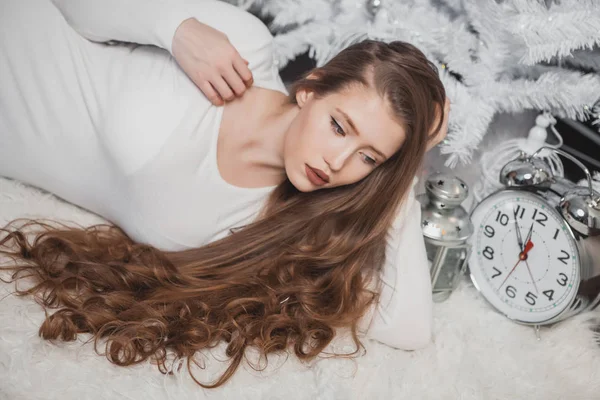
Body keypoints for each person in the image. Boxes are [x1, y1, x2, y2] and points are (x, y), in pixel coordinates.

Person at [0, 0, 449, 389]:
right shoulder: (244, 49)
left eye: (368, 158)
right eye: (338, 126)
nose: (338, 161)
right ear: (310, 90)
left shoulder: (268, 222)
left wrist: (403, 173)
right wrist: (175, 26)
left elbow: (409, 328)